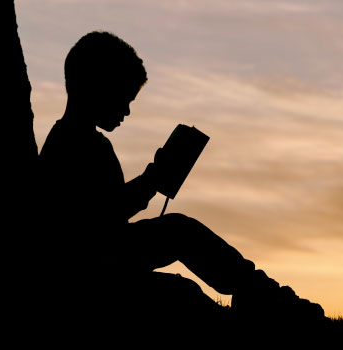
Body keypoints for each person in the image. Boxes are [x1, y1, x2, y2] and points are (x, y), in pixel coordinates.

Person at [38, 31, 326, 324]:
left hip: (100, 265)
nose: (126, 111)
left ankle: (262, 297)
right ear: (97, 86)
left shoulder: (81, 141)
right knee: (180, 258)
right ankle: (266, 299)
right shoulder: (71, 144)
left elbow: (107, 213)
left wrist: (152, 179)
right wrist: (153, 178)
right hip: (88, 274)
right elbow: (98, 220)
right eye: (123, 98)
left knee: (180, 248)